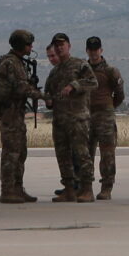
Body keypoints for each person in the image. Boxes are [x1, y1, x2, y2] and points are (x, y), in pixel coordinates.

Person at [43, 33, 97, 203]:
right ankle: (68, 189)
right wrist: (48, 100)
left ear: (69, 45)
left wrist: (74, 85)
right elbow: (48, 93)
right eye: (56, 45)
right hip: (60, 120)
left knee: (82, 154)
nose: (59, 48)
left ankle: (87, 188)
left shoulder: (79, 65)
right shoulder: (54, 72)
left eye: (62, 44)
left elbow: (93, 82)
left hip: (77, 118)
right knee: (63, 155)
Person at [0, 31, 40, 204]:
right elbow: (21, 88)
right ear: (21, 45)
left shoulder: (17, 62)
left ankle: (17, 188)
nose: (31, 48)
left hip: (16, 113)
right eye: (28, 44)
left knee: (20, 151)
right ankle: (8, 190)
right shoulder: (11, 63)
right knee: (11, 152)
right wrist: (42, 96)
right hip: (10, 112)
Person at [85, 37, 125, 200]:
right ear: (87, 50)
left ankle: (106, 187)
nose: (93, 53)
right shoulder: (82, 70)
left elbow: (120, 94)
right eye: (91, 49)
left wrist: (109, 107)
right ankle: (85, 186)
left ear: (101, 50)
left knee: (107, 153)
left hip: (105, 116)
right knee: (85, 153)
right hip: (86, 115)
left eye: (96, 49)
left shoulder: (110, 71)